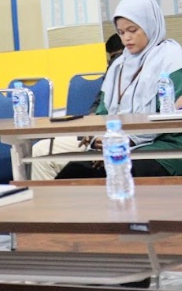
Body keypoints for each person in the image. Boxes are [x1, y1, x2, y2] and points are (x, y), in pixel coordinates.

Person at [55, 0, 182, 179]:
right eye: (121, 32)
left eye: (132, 30)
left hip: (166, 149)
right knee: (72, 174)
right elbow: (102, 112)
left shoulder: (173, 61)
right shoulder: (119, 65)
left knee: (113, 173)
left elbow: (172, 116)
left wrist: (126, 141)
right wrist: (98, 138)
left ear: (150, 25)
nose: (126, 38)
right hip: (117, 145)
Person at [29, 32, 126, 180]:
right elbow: (97, 105)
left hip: (118, 139)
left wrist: (106, 139)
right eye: (111, 59)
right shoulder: (112, 72)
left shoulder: (145, 75)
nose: (113, 63)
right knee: (40, 151)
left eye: (117, 57)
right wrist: (91, 129)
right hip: (93, 137)